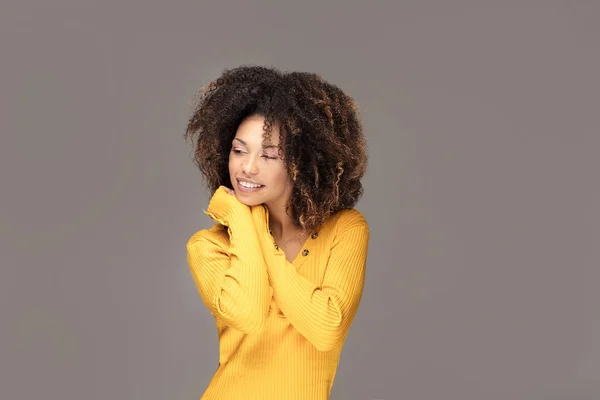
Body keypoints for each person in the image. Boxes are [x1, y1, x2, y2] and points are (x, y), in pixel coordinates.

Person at [184, 65, 370, 400]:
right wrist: (245, 221)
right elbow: (249, 314)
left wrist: (253, 227)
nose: (247, 167)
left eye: (269, 155)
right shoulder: (209, 247)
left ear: (303, 163)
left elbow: (326, 327)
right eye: (239, 150)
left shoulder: (345, 230)